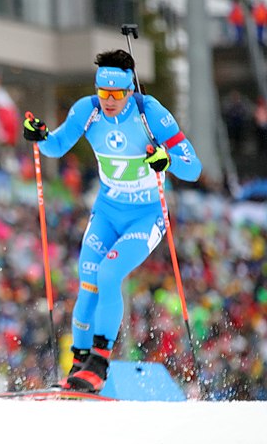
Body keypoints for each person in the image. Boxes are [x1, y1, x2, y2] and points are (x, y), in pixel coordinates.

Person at [22, 49, 202, 393]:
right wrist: (40, 137)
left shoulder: (151, 114)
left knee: (109, 273)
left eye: (116, 94)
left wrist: (167, 161)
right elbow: (56, 147)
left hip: (146, 215)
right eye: (103, 92)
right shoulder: (88, 110)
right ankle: (79, 364)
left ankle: (99, 363)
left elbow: (192, 167)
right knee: (88, 278)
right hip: (107, 210)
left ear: (130, 90)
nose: (108, 100)